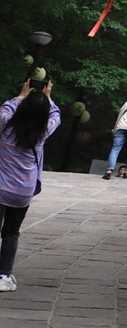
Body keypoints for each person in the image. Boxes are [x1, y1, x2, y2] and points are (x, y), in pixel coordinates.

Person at [0, 78, 61, 294]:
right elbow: (56, 116)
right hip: (22, 192)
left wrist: (21, 96)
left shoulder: (5, 124)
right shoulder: (43, 132)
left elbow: (5, 108)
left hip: (0, 188)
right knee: (11, 232)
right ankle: (4, 276)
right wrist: (48, 97)